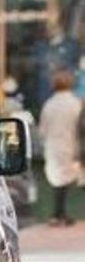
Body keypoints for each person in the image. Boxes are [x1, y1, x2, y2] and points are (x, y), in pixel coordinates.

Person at [38, 70, 82, 226]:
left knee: (58, 181)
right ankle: (60, 214)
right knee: (70, 179)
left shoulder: (49, 105)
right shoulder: (76, 104)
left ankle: (58, 214)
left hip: (53, 147)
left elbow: (42, 130)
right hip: (72, 146)